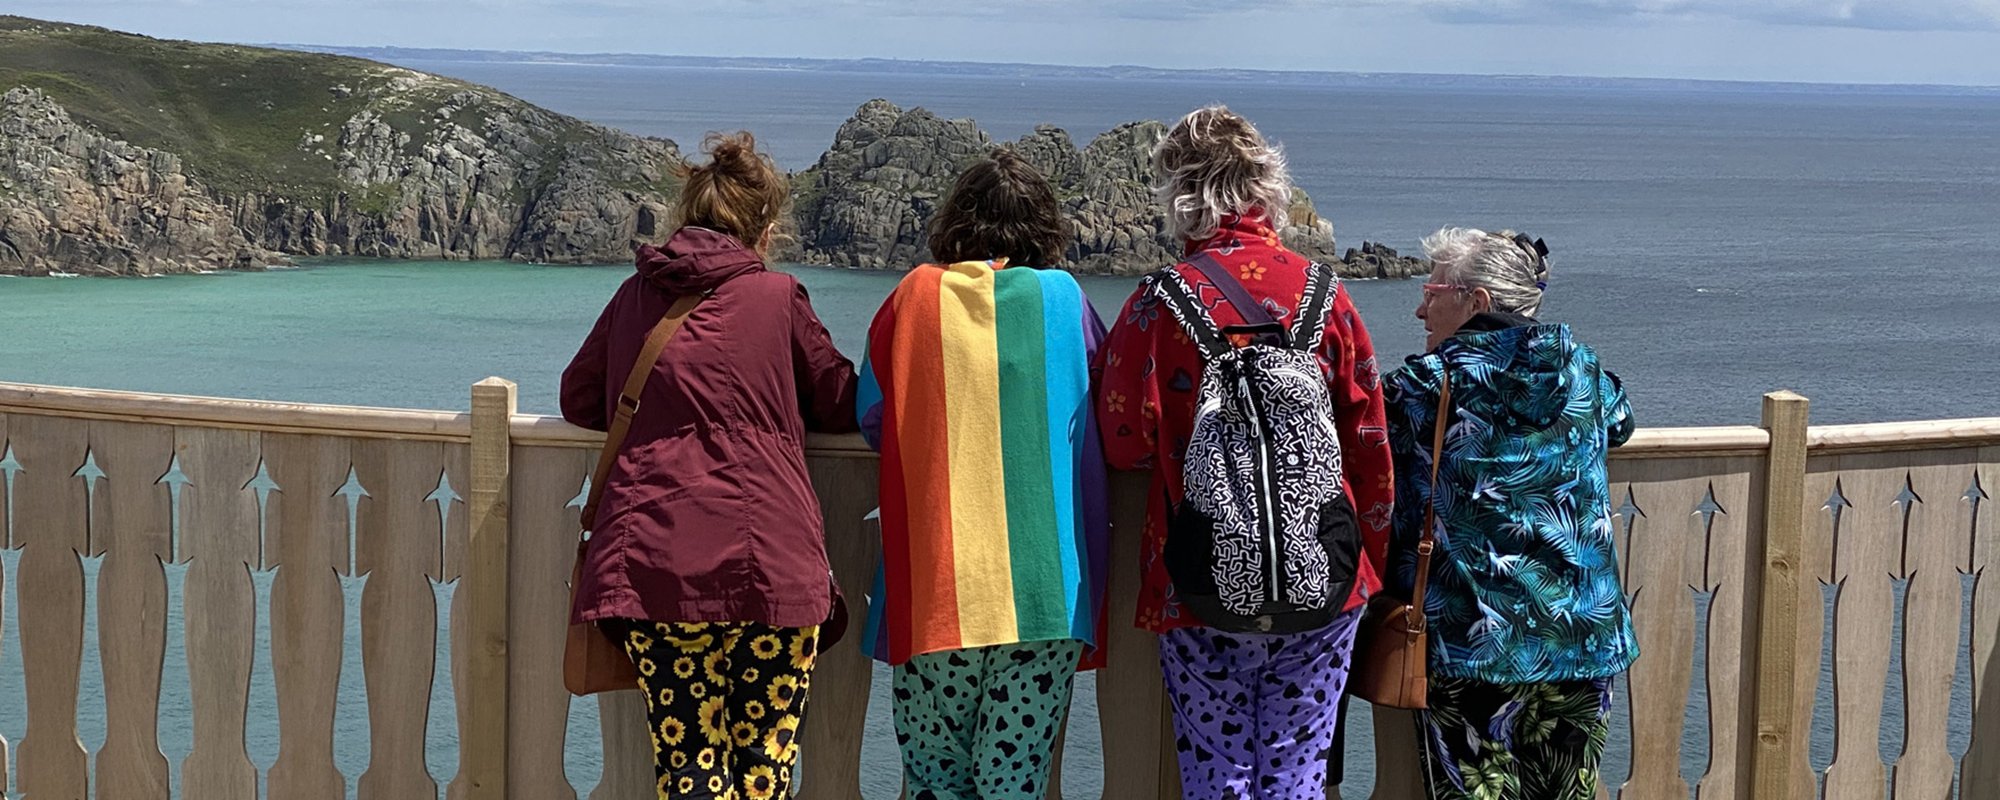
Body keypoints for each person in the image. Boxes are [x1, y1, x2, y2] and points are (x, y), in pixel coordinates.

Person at [1095, 106, 1394, 800]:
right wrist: (1368, 566)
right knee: (1298, 765)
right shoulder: (1327, 295)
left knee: (1216, 767)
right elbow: (1370, 444)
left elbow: (1122, 441)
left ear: (1180, 196)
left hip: (1200, 572)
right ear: (1268, 190)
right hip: (1322, 570)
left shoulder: (1156, 304)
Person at [559, 132, 858, 800]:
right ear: (766, 230)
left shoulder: (637, 294)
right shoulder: (779, 298)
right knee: (763, 771)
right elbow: (840, 401)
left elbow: (578, 397)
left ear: (684, 219)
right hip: (771, 565)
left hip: (656, 562)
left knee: (689, 765)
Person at [855, 149, 1110, 800]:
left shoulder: (912, 296)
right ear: (1044, 227)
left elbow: (872, 415)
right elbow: (1105, 405)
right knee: (1012, 786)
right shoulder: (1066, 299)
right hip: (1045, 594)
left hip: (937, 587)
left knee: (935, 784)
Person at [1385, 227, 1637, 800]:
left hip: (1474, 638)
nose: (1420, 307)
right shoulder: (1581, 370)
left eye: (1432, 290)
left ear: (1475, 302)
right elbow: (1620, 424)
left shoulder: (1425, 387)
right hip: (1581, 634)